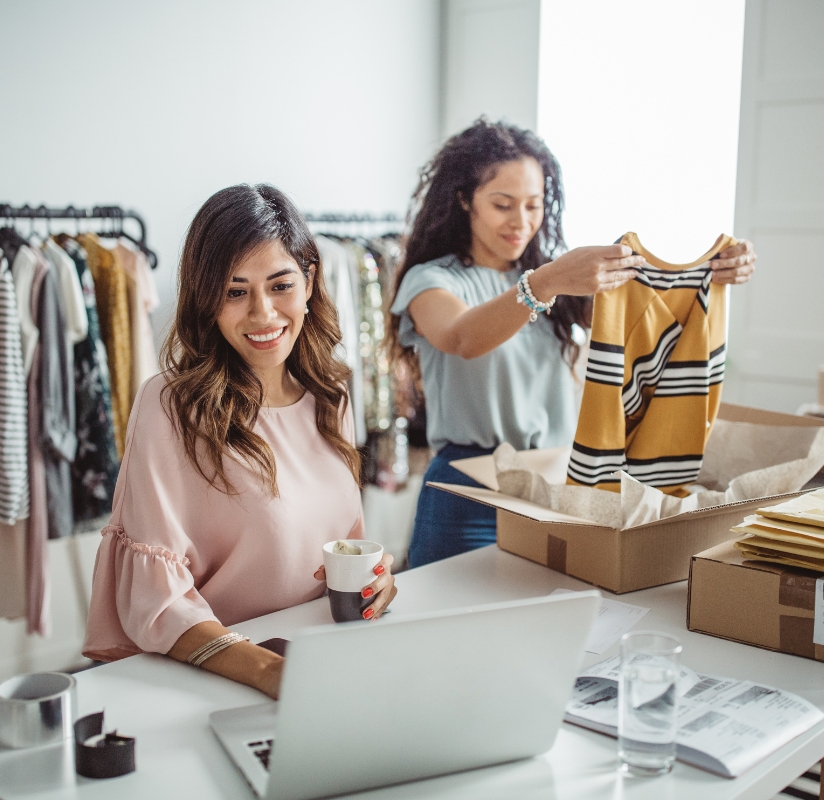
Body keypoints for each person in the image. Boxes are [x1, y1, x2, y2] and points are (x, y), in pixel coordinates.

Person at [387, 118, 756, 568]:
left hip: (555, 485)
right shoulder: (433, 280)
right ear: (465, 200)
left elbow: (646, 314)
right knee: (445, 626)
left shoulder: (556, 282)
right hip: (468, 493)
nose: (520, 222)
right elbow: (462, 337)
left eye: (533, 205)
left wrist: (713, 271)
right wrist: (545, 282)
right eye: (502, 204)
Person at [83, 184, 397, 699]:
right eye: (235, 291)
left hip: (326, 664)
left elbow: (341, 546)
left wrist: (375, 581)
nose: (263, 314)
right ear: (207, 300)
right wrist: (271, 674)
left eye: (280, 286)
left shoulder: (330, 393)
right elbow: (156, 601)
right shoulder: (171, 407)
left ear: (310, 281)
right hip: (216, 682)